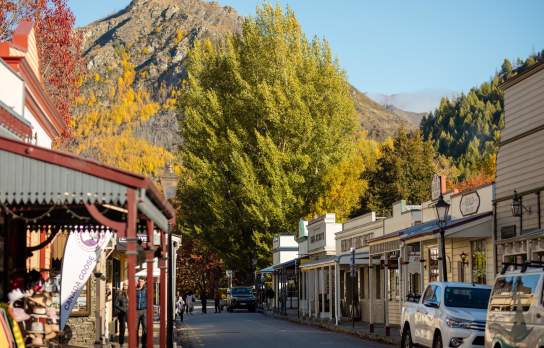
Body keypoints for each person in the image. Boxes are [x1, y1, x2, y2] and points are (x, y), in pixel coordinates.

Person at [114, 282, 128, 346]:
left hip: (130, 313)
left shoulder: (131, 293)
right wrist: (123, 309)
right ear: (123, 286)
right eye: (125, 285)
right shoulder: (119, 293)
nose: (126, 286)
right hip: (122, 313)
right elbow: (115, 304)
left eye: (127, 285)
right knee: (122, 329)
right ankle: (121, 343)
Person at [136, 277, 147, 347]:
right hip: (136, 311)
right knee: (135, 329)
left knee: (145, 329)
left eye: (142, 281)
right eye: (139, 281)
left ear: (144, 282)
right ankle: (135, 344)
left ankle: (144, 344)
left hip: (144, 311)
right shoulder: (135, 290)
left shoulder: (146, 290)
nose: (140, 283)